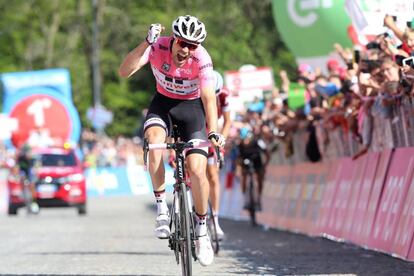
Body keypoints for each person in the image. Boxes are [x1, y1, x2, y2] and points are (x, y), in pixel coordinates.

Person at [119, 15, 225, 266]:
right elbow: (124, 71)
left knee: (197, 170)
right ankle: (162, 210)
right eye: (182, 43)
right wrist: (146, 42)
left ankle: (201, 230)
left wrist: (213, 130)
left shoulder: (202, 59)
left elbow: (209, 97)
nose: (186, 50)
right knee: (154, 143)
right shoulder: (157, 47)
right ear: (173, 40)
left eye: (192, 45)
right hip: (163, 106)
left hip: (192, 110)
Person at [206, 70, 231, 239]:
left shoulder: (224, 95)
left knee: (213, 176)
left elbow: (228, 121)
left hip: (214, 134)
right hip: (200, 128)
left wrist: (222, 143)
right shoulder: (198, 91)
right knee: (195, 170)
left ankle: (215, 218)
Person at [237, 127, 270, 211]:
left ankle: (259, 196)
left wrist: (265, 164)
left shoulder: (258, 142)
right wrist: (238, 169)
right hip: (245, 161)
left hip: (257, 161)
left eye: (246, 140)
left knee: (260, 178)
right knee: (243, 177)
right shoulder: (240, 145)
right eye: (243, 140)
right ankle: (245, 198)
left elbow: (267, 153)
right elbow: (238, 159)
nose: (245, 142)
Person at [16, 144, 39, 213]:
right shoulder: (20, 158)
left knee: (32, 186)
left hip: (30, 173)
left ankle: (34, 203)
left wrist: (36, 170)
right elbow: (18, 167)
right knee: (22, 182)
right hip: (23, 172)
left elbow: (37, 166)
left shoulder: (33, 158)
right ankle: (25, 200)